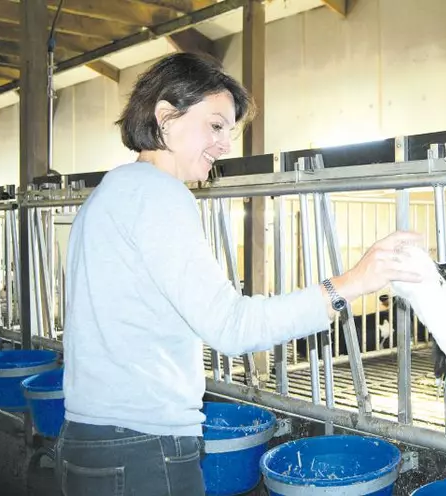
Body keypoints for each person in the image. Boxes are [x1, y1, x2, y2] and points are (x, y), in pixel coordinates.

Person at [54, 52, 424, 495]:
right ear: (166, 116)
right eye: (214, 125)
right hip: (142, 448)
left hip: (92, 438)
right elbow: (231, 326)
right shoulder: (158, 196)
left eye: (229, 131)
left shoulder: (111, 192)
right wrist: (350, 284)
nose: (226, 145)